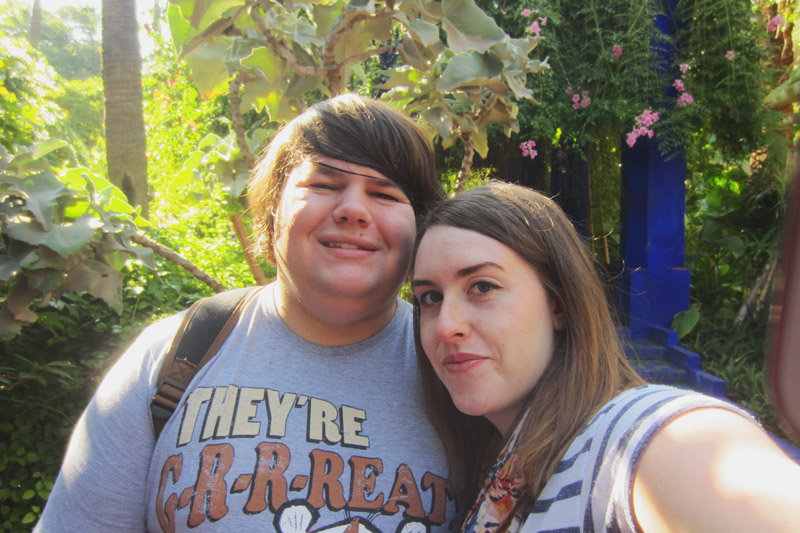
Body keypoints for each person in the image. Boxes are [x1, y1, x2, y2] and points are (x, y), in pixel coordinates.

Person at [37, 95, 458, 532]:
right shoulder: (175, 353)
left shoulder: (456, 361)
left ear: (420, 226)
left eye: (385, 193)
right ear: (273, 208)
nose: (353, 209)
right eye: (324, 185)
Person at [411, 180, 800, 532]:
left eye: (482, 286)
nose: (446, 326)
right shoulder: (491, 464)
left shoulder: (633, 437)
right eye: (430, 297)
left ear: (559, 305)